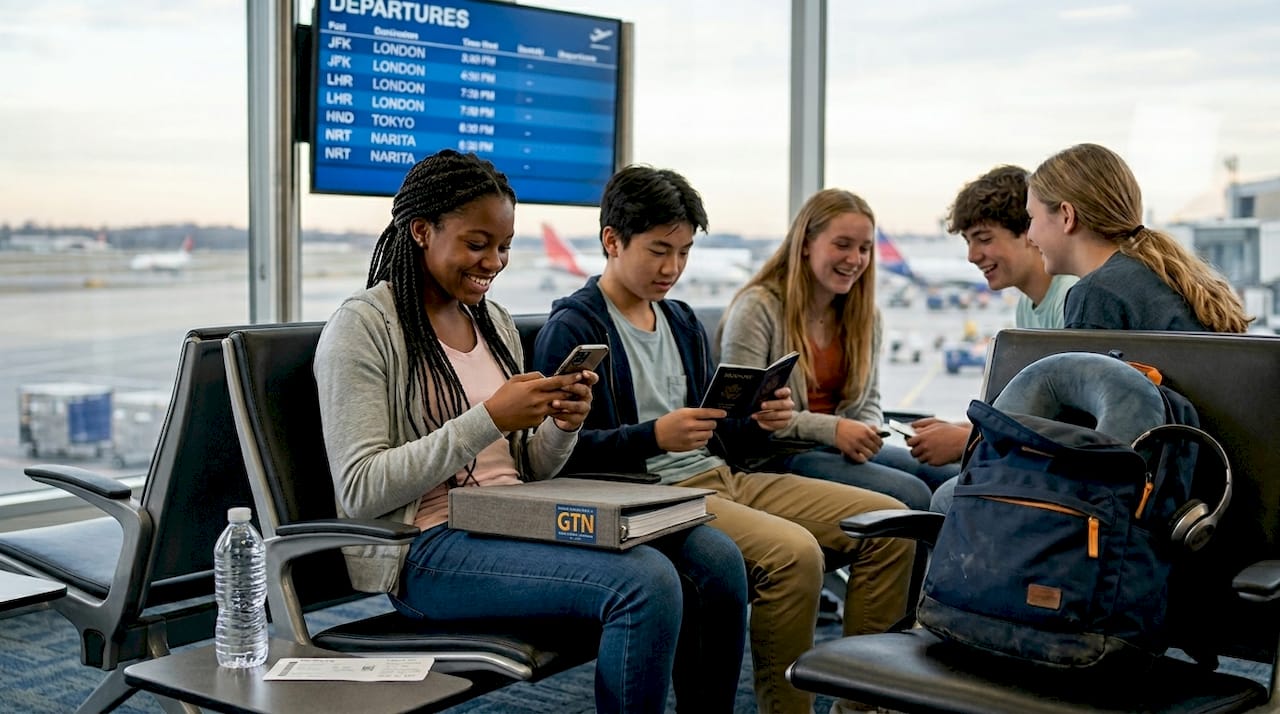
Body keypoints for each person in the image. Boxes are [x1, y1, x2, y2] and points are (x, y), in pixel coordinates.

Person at [312, 150, 749, 714]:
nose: (493, 262)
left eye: (504, 246)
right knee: (645, 583)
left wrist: (561, 425)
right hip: (426, 549)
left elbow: (529, 468)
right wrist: (490, 418)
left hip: (514, 517)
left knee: (715, 557)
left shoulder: (490, 321)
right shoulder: (364, 327)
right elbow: (361, 489)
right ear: (421, 231)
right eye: (477, 244)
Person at [533, 165, 915, 714]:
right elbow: (562, 457)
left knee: (891, 525)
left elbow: (719, 432)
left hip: (723, 476)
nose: (673, 268)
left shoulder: (680, 320)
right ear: (611, 241)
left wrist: (759, 420)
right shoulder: (575, 329)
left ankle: (860, 706)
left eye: (684, 252)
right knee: (793, 555)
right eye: (659, 251)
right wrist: (654, 436)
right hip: (655, 497)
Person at [716, 188, 958, 511]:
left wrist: (868, 432)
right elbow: (741, 416)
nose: (855, 259)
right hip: (775, 454)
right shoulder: (758, 308)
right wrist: (835, 430)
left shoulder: (865, 316)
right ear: (805, 244)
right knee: (911, 494)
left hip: (835, 448)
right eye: (842, 245)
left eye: (864, 249)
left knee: (950, 479)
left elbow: (869, 400)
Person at [908, 165, 1078, 476]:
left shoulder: (1069, 299)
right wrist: (964, 430)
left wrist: (966, 441)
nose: (972, 256)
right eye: (968, 242)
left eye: (983, 239)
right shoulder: (1027, 306)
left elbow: (1069, 424)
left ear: (1029, 233)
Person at [1027, 142, 1251, 333]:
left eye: (1032, 218)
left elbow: (1083, 373)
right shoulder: (1159, 276)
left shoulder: (1095, 294)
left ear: (1067, 216)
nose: (1030, 236)